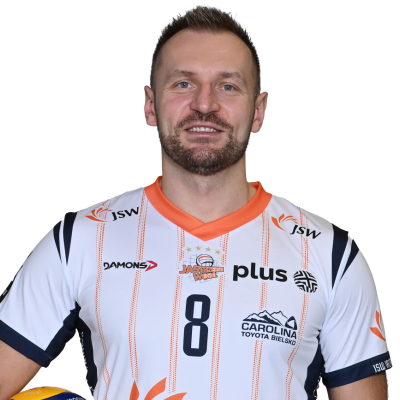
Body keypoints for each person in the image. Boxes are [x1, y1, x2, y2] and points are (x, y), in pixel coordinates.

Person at [0, 4, 392, 400]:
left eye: (228, 86)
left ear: (259, 111)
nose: (205, 105)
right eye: (183, 84)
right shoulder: (78, 240)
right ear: (150, 104)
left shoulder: (331, 255)